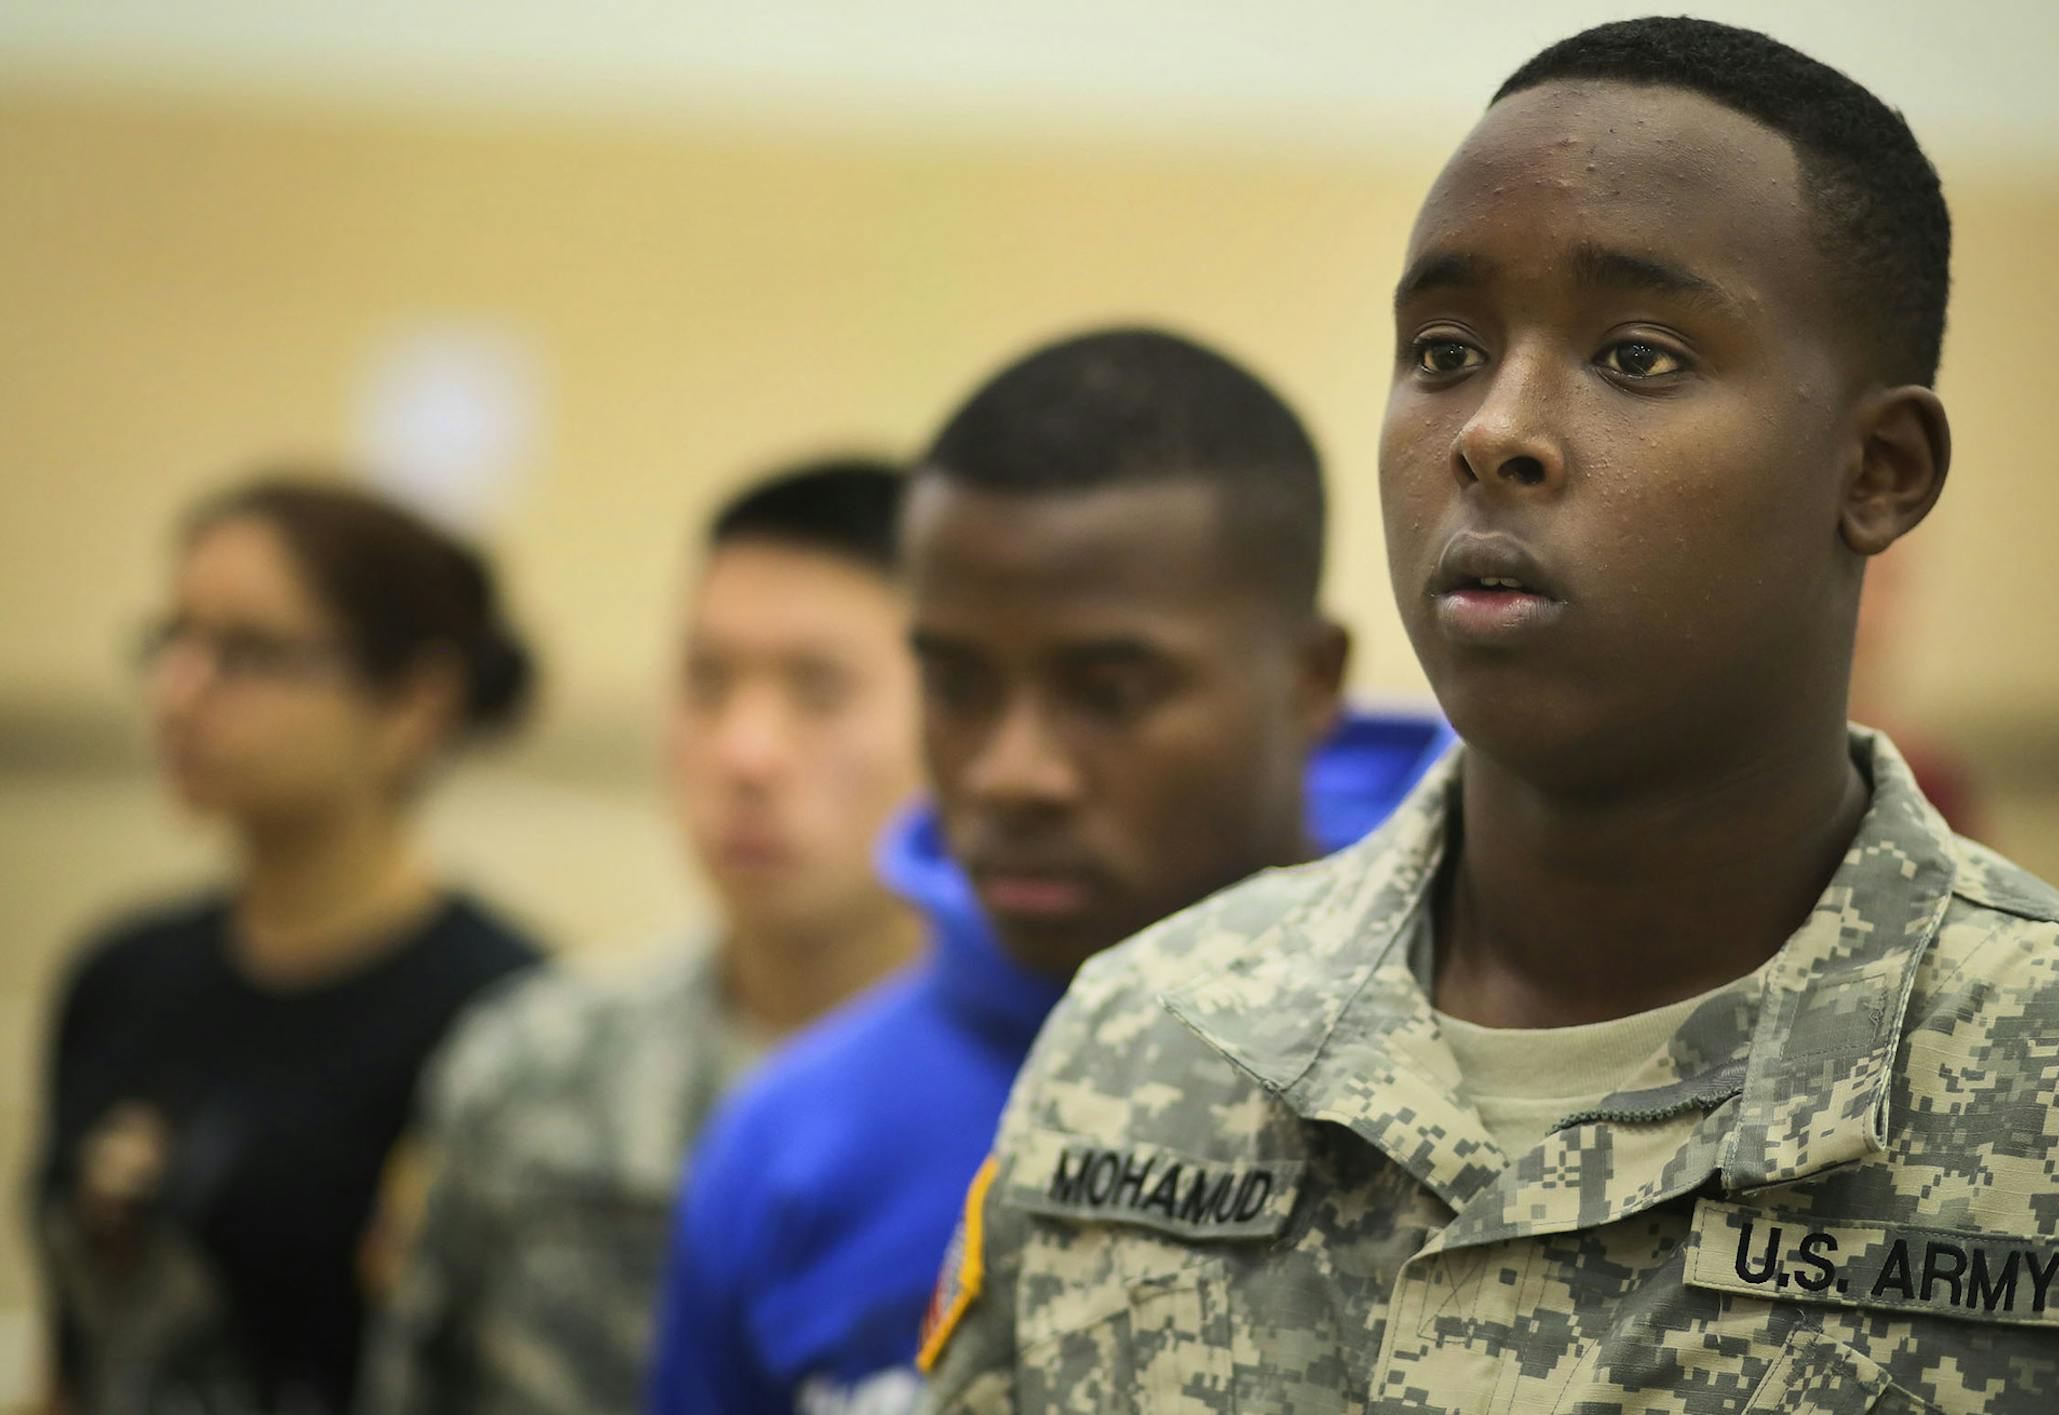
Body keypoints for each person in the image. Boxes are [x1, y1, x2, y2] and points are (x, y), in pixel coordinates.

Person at [922, 20, 2059, 1415]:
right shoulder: (1152, 1040)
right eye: (1442, 348)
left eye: (1637, 355)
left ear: (1876, 469)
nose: (1492, 428)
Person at [649, 327, 1451, 1413]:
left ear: (1309, 682)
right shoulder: (799, 1141)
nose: (1014, 773)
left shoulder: (1496, 1040)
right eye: (958, 687)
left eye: (1109, 691)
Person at [358, 461, 925, 1414]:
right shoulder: (532, 1065)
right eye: (706, 682)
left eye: (819, 691)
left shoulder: (1041, 1098)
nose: (746, 752)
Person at [31, 476, 545, 1415]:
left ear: (415, 705)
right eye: (172, 640)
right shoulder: (122, 974)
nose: (180, 690)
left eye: (249, 653)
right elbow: (74, 1354)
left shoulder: (508, 1017)